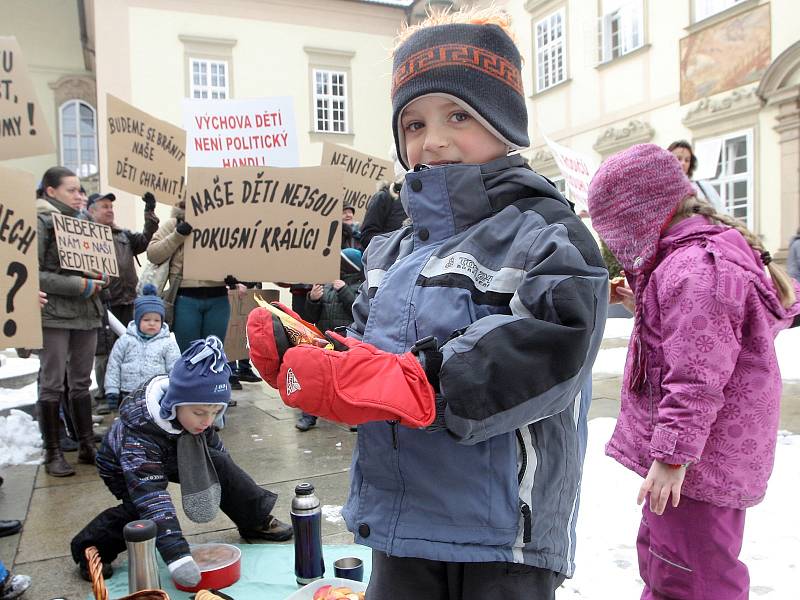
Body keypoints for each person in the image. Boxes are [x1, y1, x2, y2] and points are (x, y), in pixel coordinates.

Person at [247, 8, 608, 599]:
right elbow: (368, 359)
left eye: (458, 115)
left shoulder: (548, 234)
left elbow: (554, 347)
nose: (432, 140)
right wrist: (314, 357)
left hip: (500, 535)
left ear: (505, 124)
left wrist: (418, 384)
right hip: (400, 519)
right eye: (413, 124)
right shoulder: (393, 248)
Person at [588, 143, 800, 599]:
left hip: (698, 465)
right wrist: (645, 298)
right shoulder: (694, 257)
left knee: (693, 578)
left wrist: (671, 458)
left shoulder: (695, 270)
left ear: (638, 215)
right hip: (700, 459)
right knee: (668, 564)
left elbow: (697, 378)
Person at [70, 336, 292, 586]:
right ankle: (91, 547)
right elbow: (153, 500)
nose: (207, 421)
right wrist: (177, 556)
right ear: (175, 404)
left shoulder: (199, 416)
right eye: (199, 413)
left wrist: (230, 488)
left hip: (174, 448)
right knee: (140, 511)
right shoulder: (139, 437)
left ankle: (255, 520)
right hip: (123, 466)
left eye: (215, 412)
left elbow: (219, 457)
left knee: (219, 463)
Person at [37, 167, 108, 477]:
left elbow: (93, 266)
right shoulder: (41, 221)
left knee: (81, 382)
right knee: (52, 383)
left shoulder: (84, 224)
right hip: (53, 313)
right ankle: (53, 451)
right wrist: (79, 286)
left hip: (86, 312)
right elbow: (33, 272)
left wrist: (100, 275)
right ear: (51, 192)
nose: (80, 195)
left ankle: (86, 446)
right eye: (72, 190)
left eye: (81, 190)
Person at [146, 201, 244, 390]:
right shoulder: (175, 223)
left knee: (213, 354)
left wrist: (236, 275)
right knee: (191, 355)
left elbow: (240, 254)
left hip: (218, 298)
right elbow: (153, 254)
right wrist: (178, 235)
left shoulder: (225, 223)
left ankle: (211, 399)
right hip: (185, 298)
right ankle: (192, 399)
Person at [88, 191, 160, 412]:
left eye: (111, 206)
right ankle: (104, 395)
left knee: (130, 348)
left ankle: (129, 391)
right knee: (104, 351)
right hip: (101, 301)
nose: (109, 210)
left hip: (128, 300)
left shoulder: (123, 235)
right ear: (91, 211)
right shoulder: (85, 235)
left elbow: (146, 239)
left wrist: (149, 212)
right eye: (104, 206)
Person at [295, 248, 365, 432]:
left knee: (350, 381)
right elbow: (310, 316)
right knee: (314, 378)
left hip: (347, 341)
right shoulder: (326, 285)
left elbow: (358, 310)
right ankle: (308, 416)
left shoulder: (362, 286)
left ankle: (353, 417)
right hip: (324, 340)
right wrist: (313, 299)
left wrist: (343, 290)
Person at [104, 284, 181, 411]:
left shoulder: (168, 343)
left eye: (156, 320)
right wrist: (112, 390)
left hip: (156, 392)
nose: (152, 323)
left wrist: (174, 389)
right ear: (138, 319)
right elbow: (114, 365)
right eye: (146, 320)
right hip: (128, 392)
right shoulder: (125, 340)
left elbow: (175, 367)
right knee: (129, 418)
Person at [667, 139, 724, 214]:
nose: (683, 163)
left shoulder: (703, 187)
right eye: (678, 158)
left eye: (687, 160)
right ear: (667, 161)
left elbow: (721, 212)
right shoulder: (662, 191)